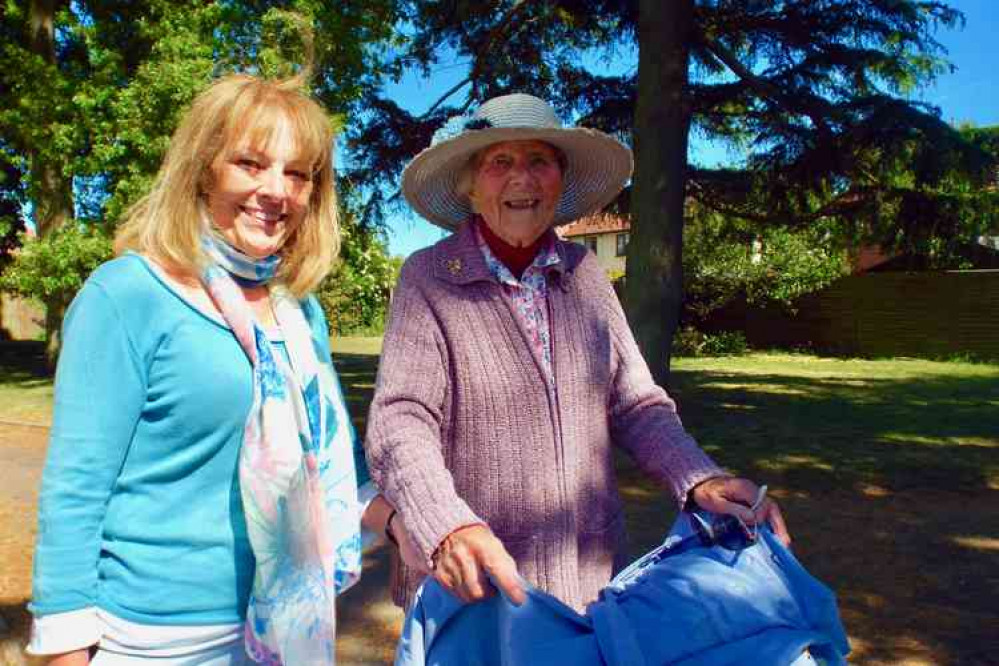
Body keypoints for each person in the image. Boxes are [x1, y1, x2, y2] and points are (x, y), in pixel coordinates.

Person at [27, 73, 415, 665]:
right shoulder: (127, 295)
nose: (275, 191)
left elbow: (333, 461)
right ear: (203, 169)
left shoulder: (297, 310)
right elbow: (75, 490)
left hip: (281, 627)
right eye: (250, 163)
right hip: (152, 642)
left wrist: (406, 527)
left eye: (297, 173)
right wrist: (63, 646)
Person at [365, 93, 791, 613]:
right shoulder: (429, 278)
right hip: (474, 586)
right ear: (472, 188)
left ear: (559, 183)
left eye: (539, 161)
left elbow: (636, 403)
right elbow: (401, 421)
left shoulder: (586, 275)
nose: (522, 178)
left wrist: (699, 475)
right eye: (500, 162)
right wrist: (446, 524)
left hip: (590, 582)